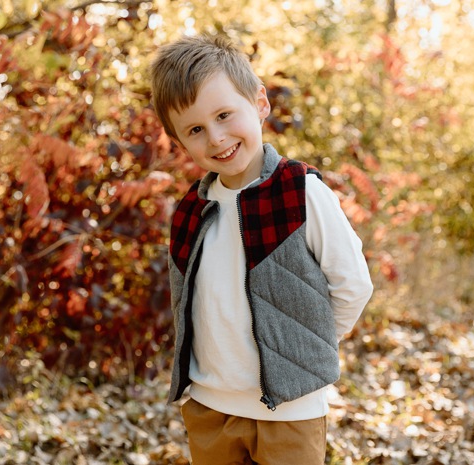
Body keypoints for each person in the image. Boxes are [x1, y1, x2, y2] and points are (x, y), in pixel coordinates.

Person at [149, 34, 374, 465]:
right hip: (210, 406)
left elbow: (353, 285)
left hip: (290, 411)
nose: (216, 138)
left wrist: (303, 348)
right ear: (180, 142)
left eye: (224, 115)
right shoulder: (191, 213)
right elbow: (190, 305)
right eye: (195, 130)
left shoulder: (299, 192)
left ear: (260, 103)